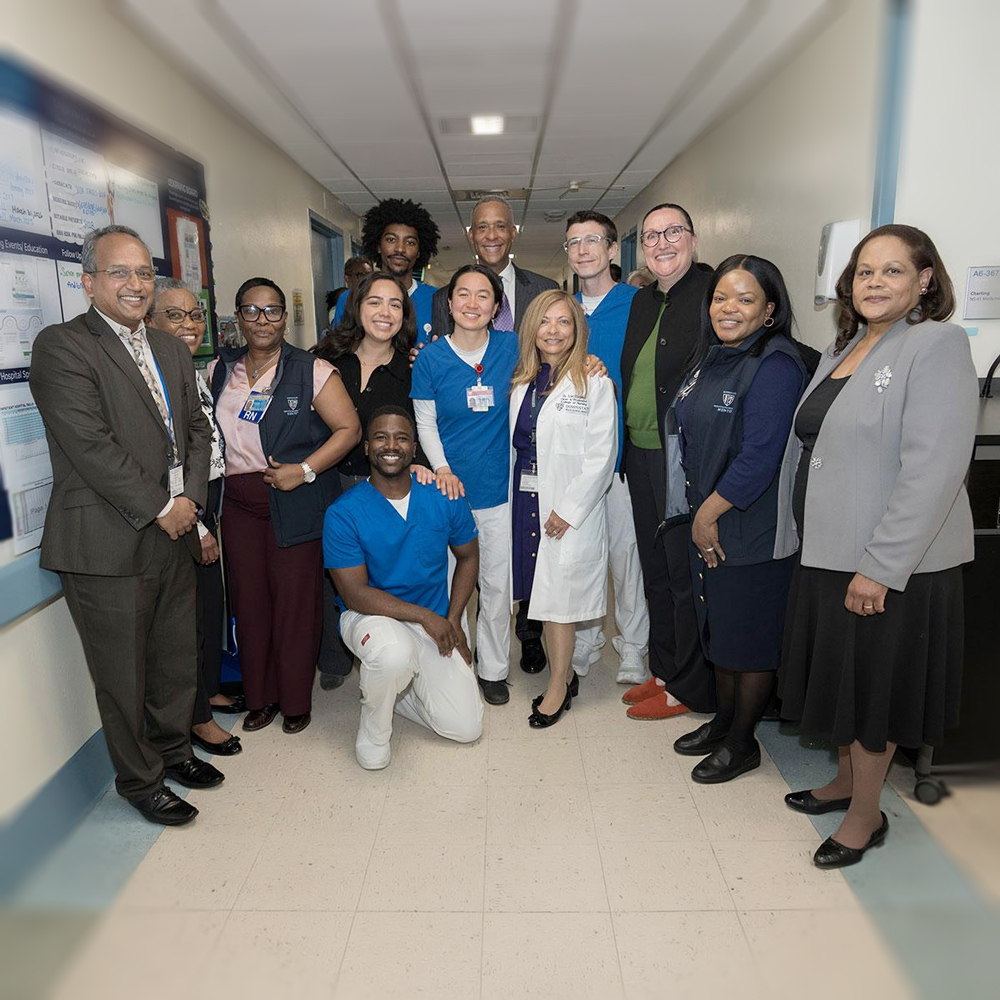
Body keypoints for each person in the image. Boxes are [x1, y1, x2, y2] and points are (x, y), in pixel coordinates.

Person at [777, 224, 977, 868]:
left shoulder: (935, 345)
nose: (875, 283)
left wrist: (882, 568)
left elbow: (935, 469)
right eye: (865, 271)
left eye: (893, 271)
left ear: (925, 279)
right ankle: (844, 784)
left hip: (889, 565)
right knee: (842, 682)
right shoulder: (849, 347)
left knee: (873, 691)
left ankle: (867, 815)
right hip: (829, 554)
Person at [30, 225, 220, 827]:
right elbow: (89, 446)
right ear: (88, 283)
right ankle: (140, 782)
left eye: (143, 273)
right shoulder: (62, 346)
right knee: (121, 672)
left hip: (175, 527)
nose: (136, 285)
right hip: (106, 540)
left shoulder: (167, 348)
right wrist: (163, 507)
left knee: (173, 658)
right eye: (120, 273)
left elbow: (195, 428)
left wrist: (187, 501)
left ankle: (171, 752)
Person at [670, 256, 808, 782]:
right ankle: (724, 722)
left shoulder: (774, 365)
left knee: (748, 640)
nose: (729, 308)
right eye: (721, 298)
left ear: (770, 310)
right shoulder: (713, 356)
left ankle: (743, 742)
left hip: (749, 526)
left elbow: (759, 458)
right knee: (722, 631)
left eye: (745, 299)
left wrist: (706, 515)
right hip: (710, 517)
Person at [210, 277, 360, 735]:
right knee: (250, 604)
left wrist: (306, 470)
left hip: (293, 499)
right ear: (238, 316)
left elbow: (348, 430)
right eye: (251, 310)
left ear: (284, 317)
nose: (262, 320)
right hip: (237, 506)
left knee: (295, 604)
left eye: (272, 310)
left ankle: (295, 700)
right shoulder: (220, 370)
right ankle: (261, 697)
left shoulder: (310, 370)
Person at [430, 195, 558, 674]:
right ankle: (456, 654)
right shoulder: (450, 299)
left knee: (513, 558)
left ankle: (521, 641)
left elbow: (555, 347)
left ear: (513, 232)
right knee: (460, 568)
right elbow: (442, 366)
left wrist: (586, 359)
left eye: (499, 226)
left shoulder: (542, 288)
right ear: (471, 234)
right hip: (462, 459)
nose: (490, 234)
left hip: (516, 454)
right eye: (481, 226)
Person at [324, 406, 484, 769]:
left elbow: (469, 558)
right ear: (366, 447)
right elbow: (355, 594)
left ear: (414, 449)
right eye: (380, 437)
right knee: (393, 655)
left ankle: (394, 692)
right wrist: (428, 616)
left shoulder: (444, 495)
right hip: (370, 619)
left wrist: (454, 619)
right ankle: (374, 728)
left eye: (401, 438)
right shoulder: (343, 513)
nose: (390, 445)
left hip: (433, 623)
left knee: (466, 728)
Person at [619, 203, 716, 721]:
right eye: (651, 235)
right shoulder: (641, 302)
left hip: (682, 455)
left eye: (672, 232)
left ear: (693, 239)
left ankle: (688, 686)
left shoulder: (711, 293)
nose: (660, 243)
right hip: (639, 451)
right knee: (654, 567)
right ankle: (664, 667)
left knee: (684, 573)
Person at [509, 290, 617, 727]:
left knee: (559, 600)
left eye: (564, 322)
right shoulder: (522, 382)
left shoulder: (595, 383)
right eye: (544, 321)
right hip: (524, 498)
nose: (553, 331)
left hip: (566, 508)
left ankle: (558, 686)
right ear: (531, 329)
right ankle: (564, 671)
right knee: (539, 592)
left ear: (578, 330)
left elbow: (601, 456)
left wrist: (568, 510)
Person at [411, 265, 518, 705]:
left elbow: (558, 358)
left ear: (497, 308)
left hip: (499, 488)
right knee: (454, 583)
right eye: (463, 295)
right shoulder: (431, 358)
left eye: (483, 296)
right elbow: (425, 420)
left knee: (496, 584)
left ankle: (494, 669)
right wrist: (441, 468)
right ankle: (459, 657)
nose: (472, 303)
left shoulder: (512, 348)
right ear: (449, 303)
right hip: (449, 491)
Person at [314, 271, 420, 690]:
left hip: (385, 488)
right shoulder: (324, 359)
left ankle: (392, 655)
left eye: (395, 304)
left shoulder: (412, 367)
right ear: (357, 307)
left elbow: (423, 426)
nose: (385, 312)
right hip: (328, 483)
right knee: (331, 575)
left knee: (381, 575)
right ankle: (334, 658)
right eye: (375, 301)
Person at [149, 278, 242, 756]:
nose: (189, 324)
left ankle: (207, 691)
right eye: (174, 315)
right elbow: (167, 460)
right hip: (183, 517)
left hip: (209, 501)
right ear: (149, 320)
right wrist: (201, 525)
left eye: (195, 315)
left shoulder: (196, 369)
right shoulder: (154, 378)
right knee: (189, 621)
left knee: (210, 609)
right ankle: (198, 719)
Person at [563, 210, 649, 687]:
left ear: (613, 250)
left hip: (621, 456)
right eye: (573, 243)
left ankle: (633, 643)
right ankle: (587, 636)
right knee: (582, 551)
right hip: (572, 458)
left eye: (592, 241)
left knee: (625, 553)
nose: (582, 250)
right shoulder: (564, 311)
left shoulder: (638, 304)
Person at [332, 199, 439, 338]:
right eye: (391, 240)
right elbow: (338, 350)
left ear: (419, 252)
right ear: (378, 246)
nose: (400, 249)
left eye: (410, 242)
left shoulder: (437, 299)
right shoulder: (350, 299)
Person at [327, 257, 374, 324]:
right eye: (360, 275)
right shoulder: (346, 297)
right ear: (347, 278)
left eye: (369, 275)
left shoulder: (375, 295)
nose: (365, 279)